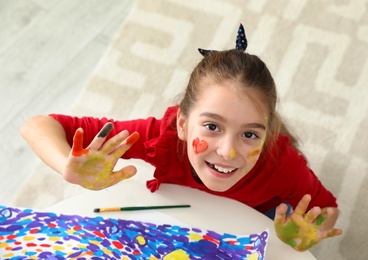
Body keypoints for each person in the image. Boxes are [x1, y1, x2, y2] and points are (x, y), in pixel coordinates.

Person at [21, 24, 342, 252]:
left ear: (268, 134)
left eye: (249, 134)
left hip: (259, 223)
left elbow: (327, 209)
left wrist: (306, 235)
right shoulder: (160, 137)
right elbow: (38, 125)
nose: (228, 152)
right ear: (183, 125)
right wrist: (68, 165)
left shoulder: (280, 163)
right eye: (212, 127)